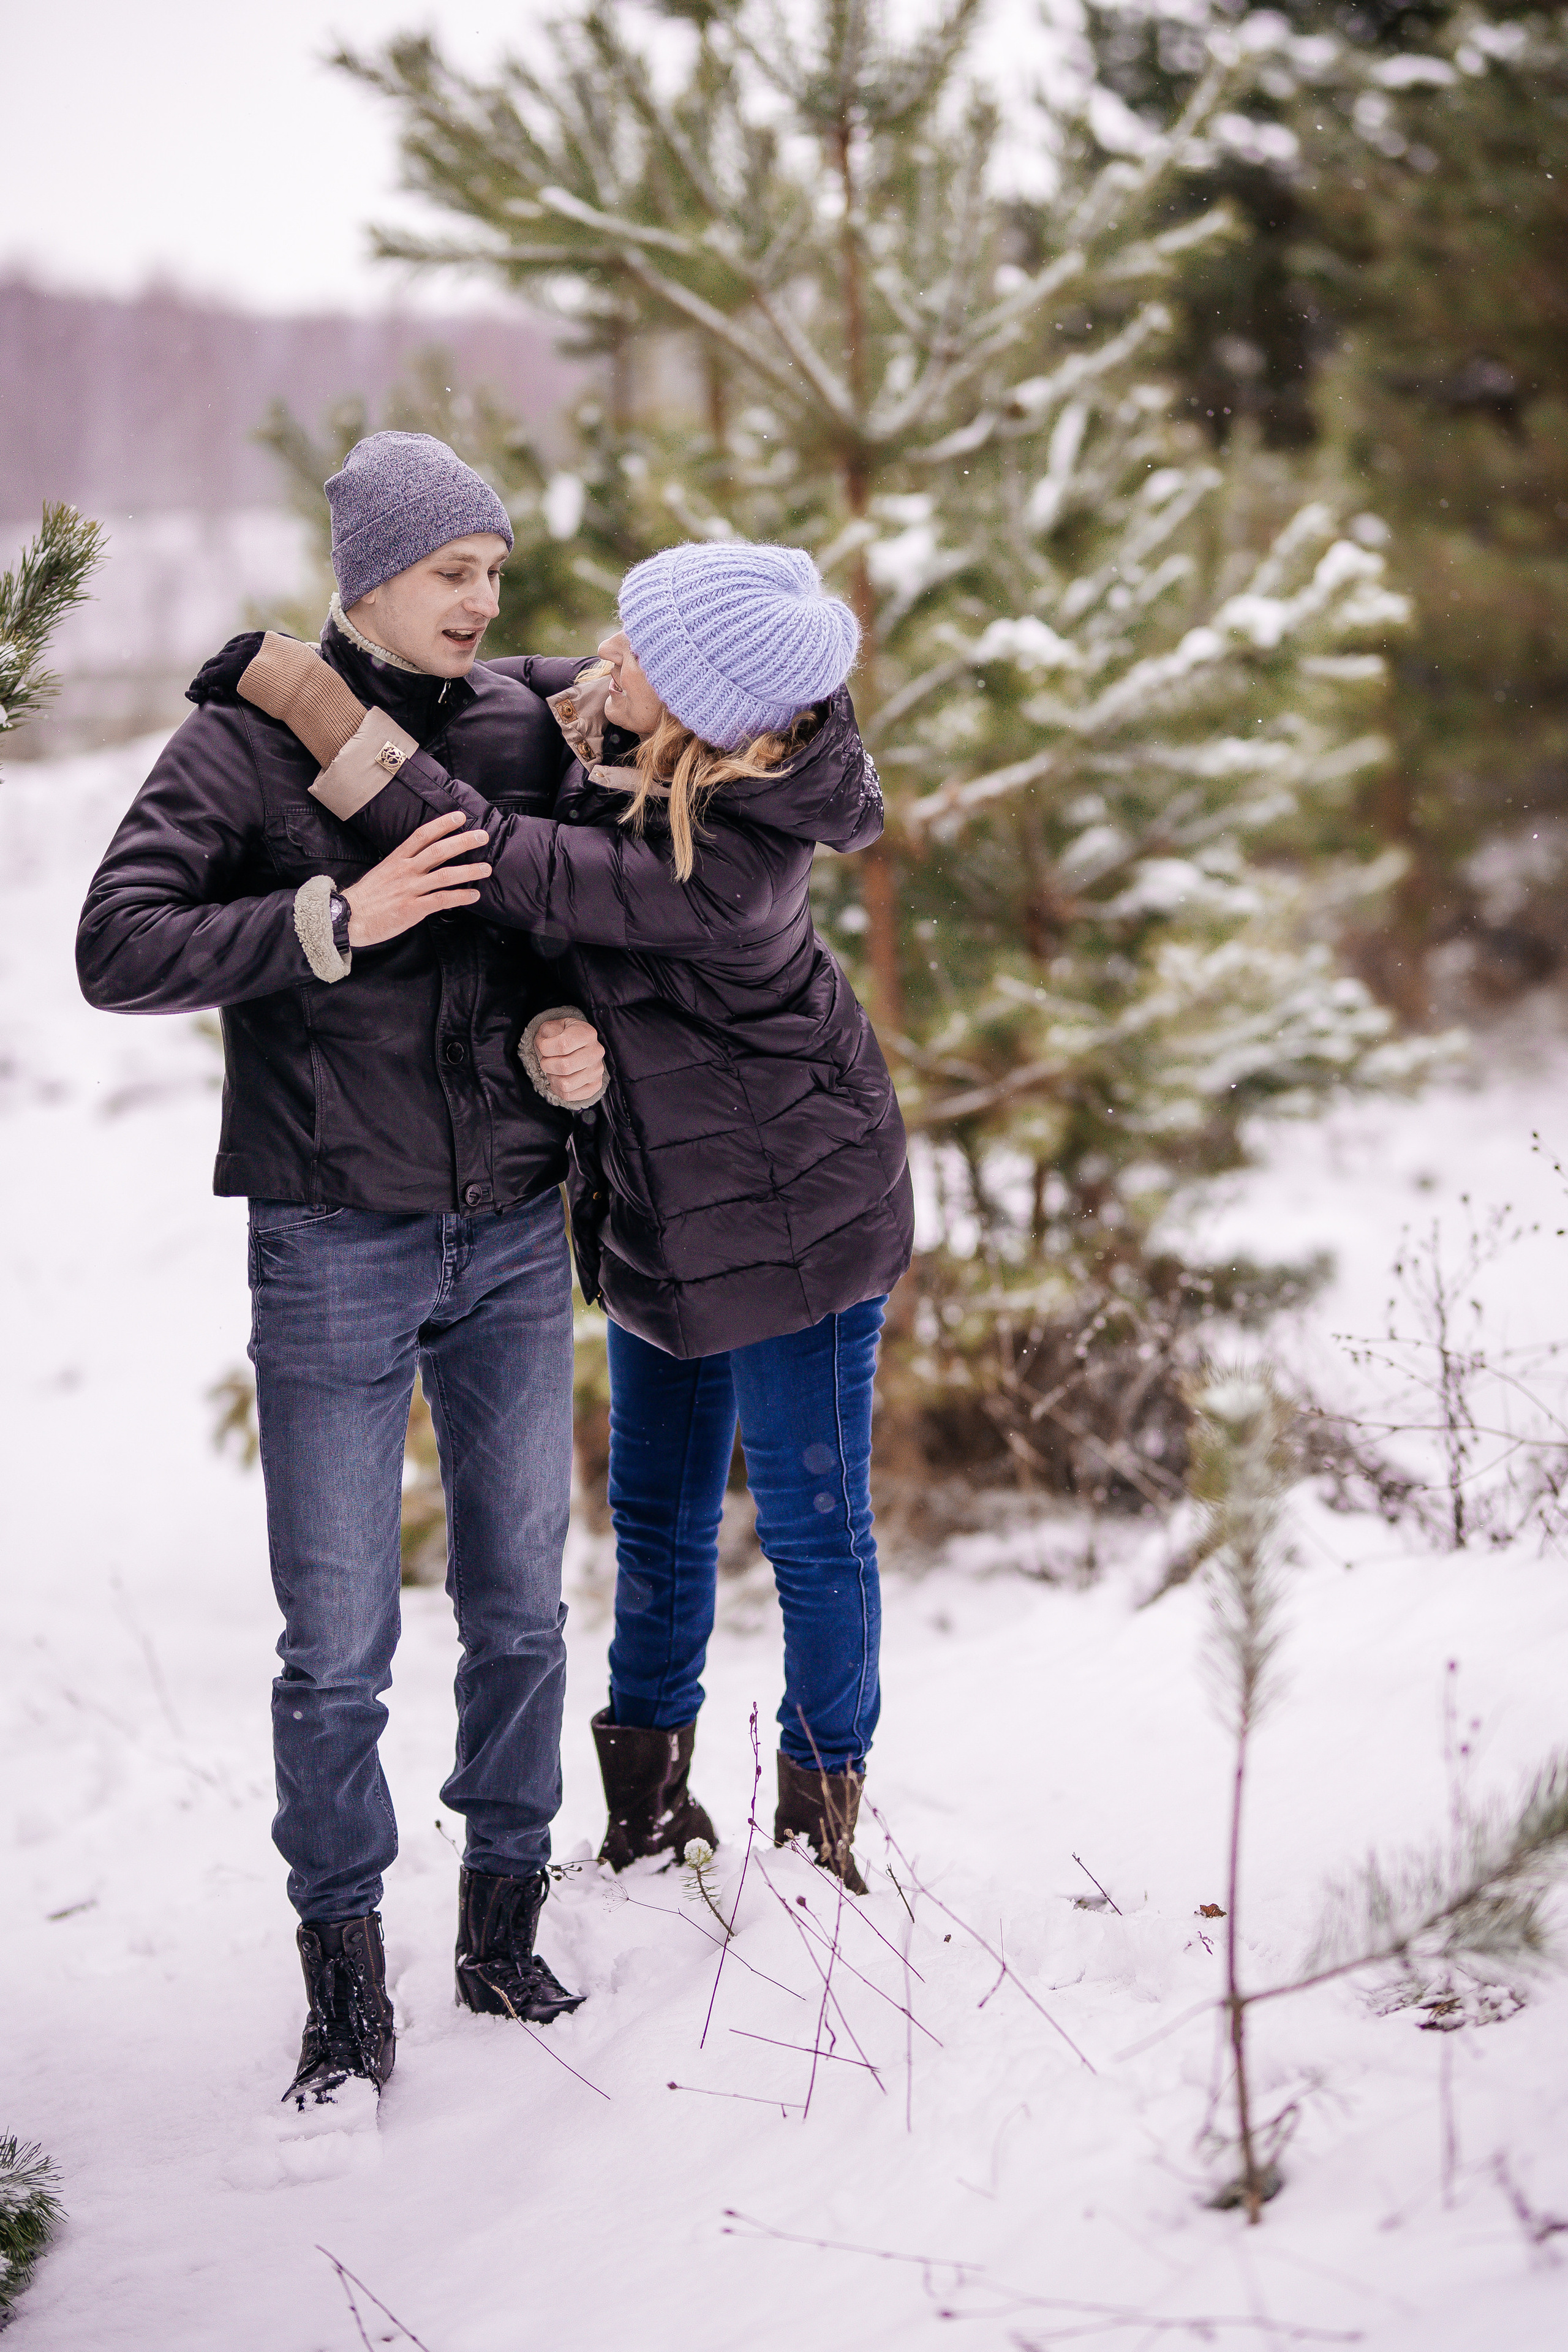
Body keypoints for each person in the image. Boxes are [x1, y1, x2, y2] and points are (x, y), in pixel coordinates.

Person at [221, 539, 914, 1893]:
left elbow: (492, 856)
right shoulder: (663, 741)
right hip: (665, 1201)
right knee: (653, 1517)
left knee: (810, 1528)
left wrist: (321, 705)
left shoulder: (729, 860)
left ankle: (817, 1839)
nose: (606, 655)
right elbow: (531, 685)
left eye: (637, 648)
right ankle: (647, 1815)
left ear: (706, 704)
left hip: (802, 1221)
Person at [75, 432, 607, 2116]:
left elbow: (573, 926)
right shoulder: (243, 745)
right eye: (452, 570)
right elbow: (116, 944)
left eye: (495, 571)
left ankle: (503, 1929)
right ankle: (344, 1981)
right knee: (337, 1640)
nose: (483, 599)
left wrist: (565, 1025)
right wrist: (330, 919)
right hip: (330, 1237)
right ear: (369, 575)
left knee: (521, 1603)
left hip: (511, 1227)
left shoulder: (523, 726)